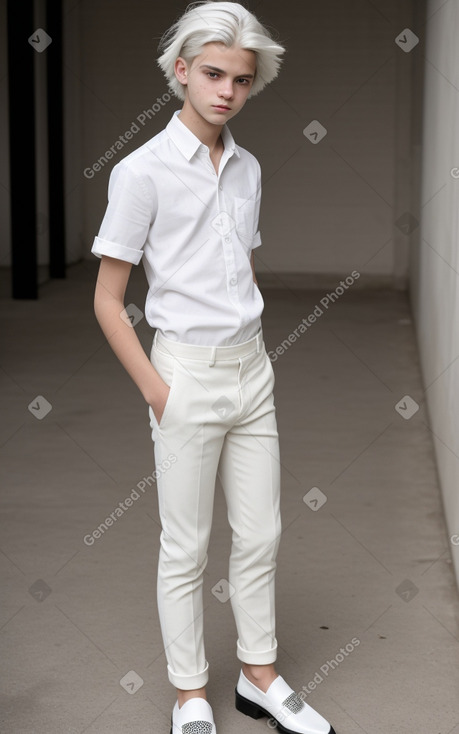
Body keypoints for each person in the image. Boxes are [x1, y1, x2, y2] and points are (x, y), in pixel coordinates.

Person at [91, 2, 336, 732]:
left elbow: (240, 272)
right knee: (186, 546)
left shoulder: (249, 168)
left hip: (250, 371)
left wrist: (251, 354)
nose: (227, 89)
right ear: (180, 73)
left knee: (260, 534)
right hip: (185, 377)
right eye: (212, 73)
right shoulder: (141, 172)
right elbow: (108, 300)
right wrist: (160, 395)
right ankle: (189, 692)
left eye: (241, 79)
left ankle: (259, 677)